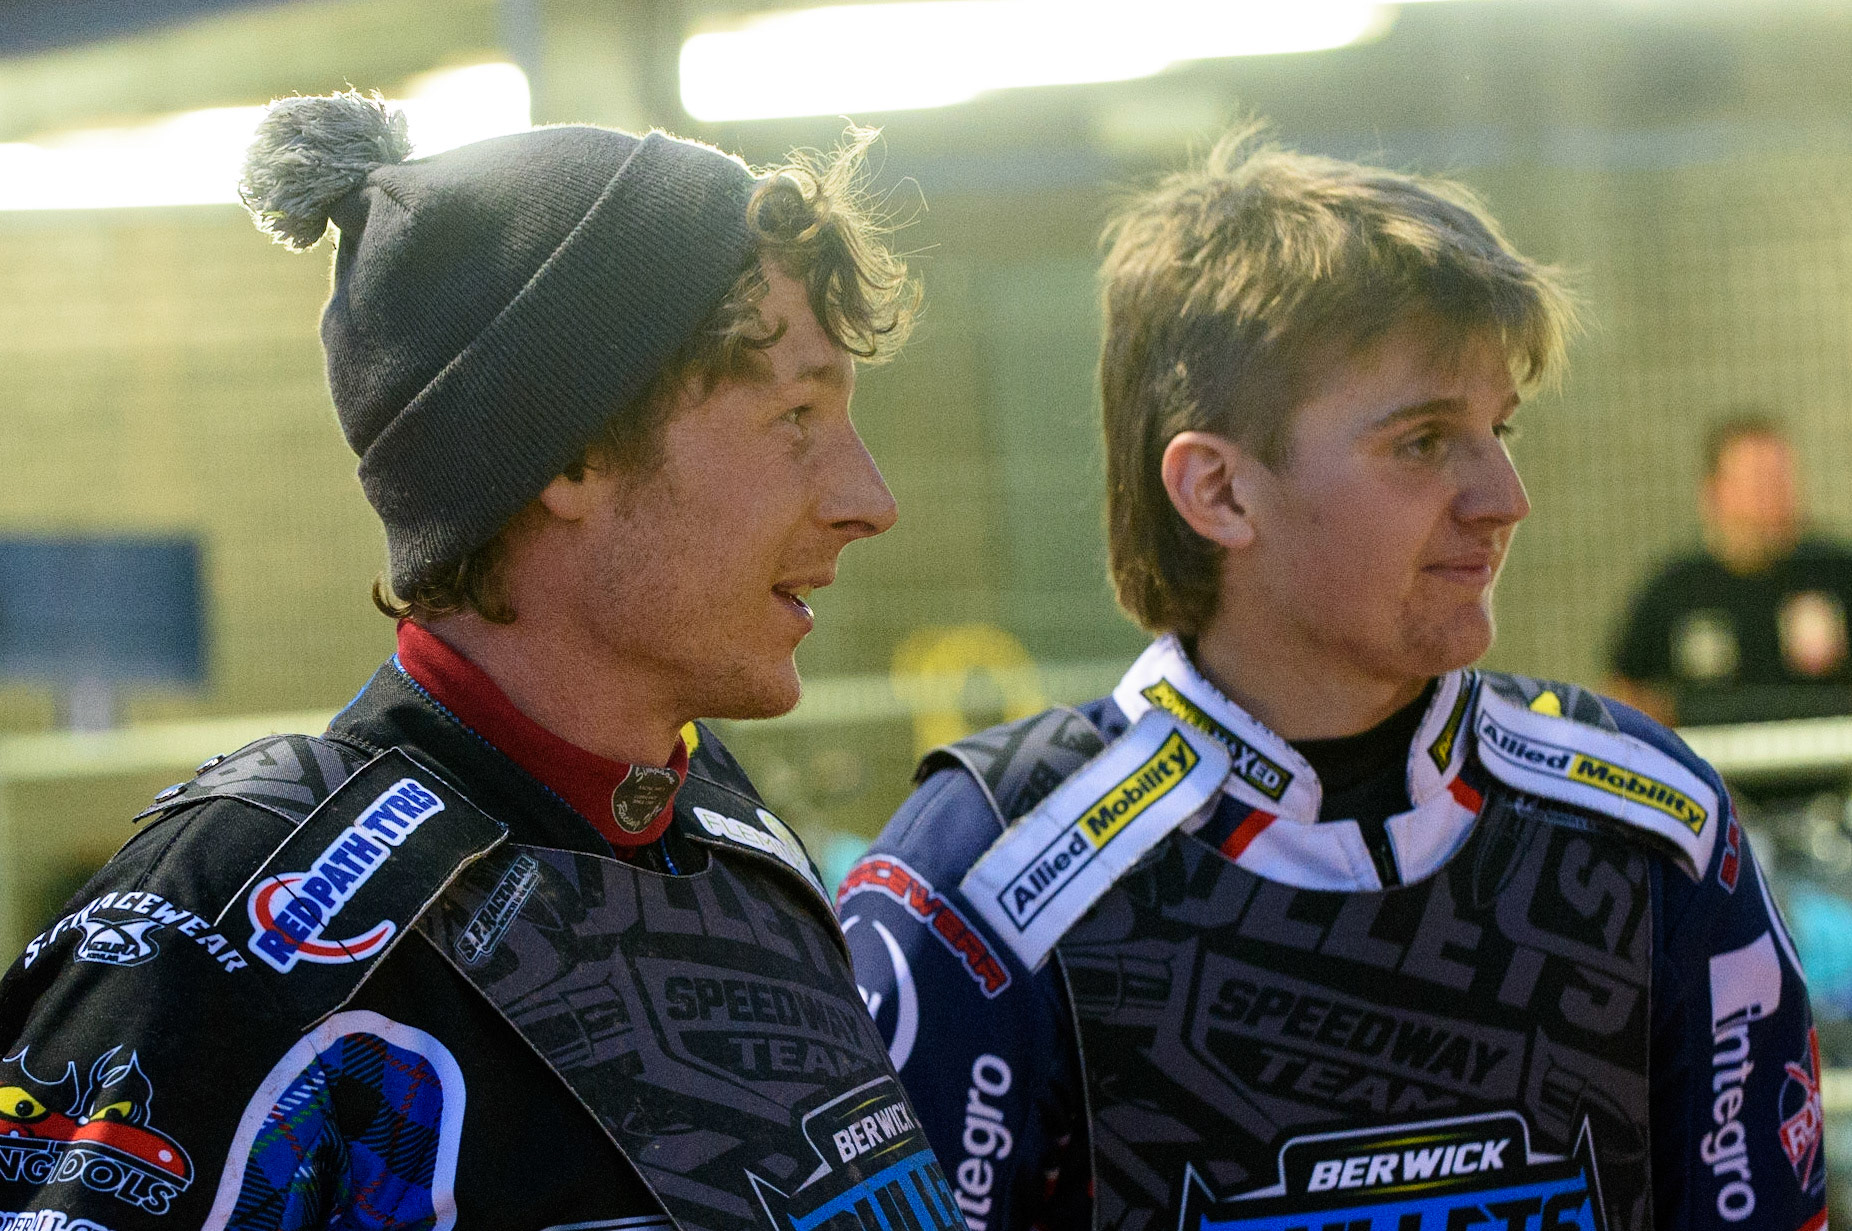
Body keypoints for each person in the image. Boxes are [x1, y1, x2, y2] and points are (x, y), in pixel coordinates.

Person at [0, 93, 965, 1231]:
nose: (871, 500)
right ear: (572, 455)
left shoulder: (737, 850)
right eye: (797, 413)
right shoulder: (236, 921)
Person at [838, 131, 1826, 1231]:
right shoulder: (987, 885)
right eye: (1422, 441)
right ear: (1218, 491)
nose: (1504, 496)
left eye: (1498, 430)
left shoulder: (1655, 826)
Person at [1611, 414, 1852, 727]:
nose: (1773, 495)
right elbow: (1623, 693)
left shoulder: (1837, 572)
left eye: (1781, 477)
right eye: (1757, 480)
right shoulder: (1673, 590)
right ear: (1713, 492)